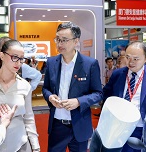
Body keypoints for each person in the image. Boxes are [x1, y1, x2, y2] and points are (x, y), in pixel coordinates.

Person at [42, 22, 103, 152]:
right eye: (58, 39)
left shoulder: (89, 64)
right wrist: (50, 97)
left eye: (64, 40)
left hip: (79, 124)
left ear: (76, 41)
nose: (60, 44)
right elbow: (45, 88)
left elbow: (98, 93)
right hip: (57, 125)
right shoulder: (51, 62)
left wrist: (78, 102)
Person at [0, 39, 40, 152]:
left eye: (21, 58)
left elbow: (29, 118)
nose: (18, 63)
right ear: (2, 56)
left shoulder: (25, 86)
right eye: (14, 57)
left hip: (20, 145)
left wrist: (35, 147)